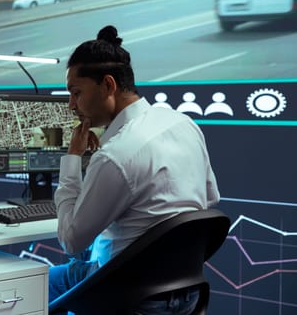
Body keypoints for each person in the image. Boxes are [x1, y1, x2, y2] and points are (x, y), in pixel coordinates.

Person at [49, 25, 220, 313]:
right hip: (187, 291)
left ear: (108, 85)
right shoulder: (183, 124)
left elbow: (71, 239)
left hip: (128, 295)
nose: (71, 105)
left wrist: (72, 160)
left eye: (76, 93)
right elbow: (210, 198)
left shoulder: (116, 155)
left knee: (30, 283)